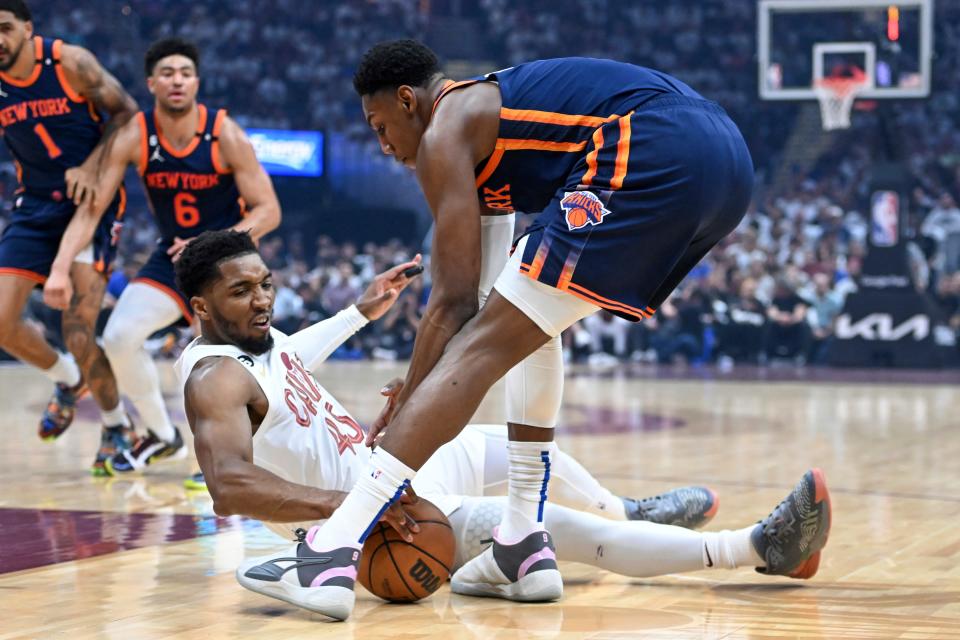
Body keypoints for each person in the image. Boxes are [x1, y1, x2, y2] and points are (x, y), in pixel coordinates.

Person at [293, 40, 810, 617]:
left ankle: (335, 543)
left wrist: (408, 398)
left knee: (487, 345)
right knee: (527, 312)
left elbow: (452, 302)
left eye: (380, 126)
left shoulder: (444, 131)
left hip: (656, 139)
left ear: (409, 101)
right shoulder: (481, 136)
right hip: (726, 164)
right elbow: (488, 294)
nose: (384, 146)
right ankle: (521, 539)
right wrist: (416, 383)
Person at [175, 230, 831, 620]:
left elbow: (291, 355)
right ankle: (758, 549)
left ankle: (629, 511)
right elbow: (230, 485)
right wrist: (356, 509)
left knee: (521, 450)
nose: (262, 300)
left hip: (390, 473)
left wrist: (361, 311)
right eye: (242, 292)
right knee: (545, 528)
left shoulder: (258, 343)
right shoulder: (216, 379)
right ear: (201, 306)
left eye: (265, 284)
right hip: (391, 515)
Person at [42, 38, 281, 474]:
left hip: (228, 264)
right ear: (152, 83)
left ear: (196, 83)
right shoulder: (137, 132)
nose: (177, 81)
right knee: (117, 338)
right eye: (167, 73)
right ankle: (161, 434)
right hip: (172, 257)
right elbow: (93, 206)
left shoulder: (223, 132)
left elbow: (269, 209)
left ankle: (229, 456)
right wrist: (59, 268)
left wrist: (212, 243)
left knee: (219, 361)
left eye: (185, 73)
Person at [0, 0, 139, 471]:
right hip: (35, 203)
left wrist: (91, 165)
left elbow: (128, 116)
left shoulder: (68, 61)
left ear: (26, 28)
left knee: (77, 329)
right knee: (2, 322)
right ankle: (67, 379)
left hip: (91, 200)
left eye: (4, 28)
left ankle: (117, 426)